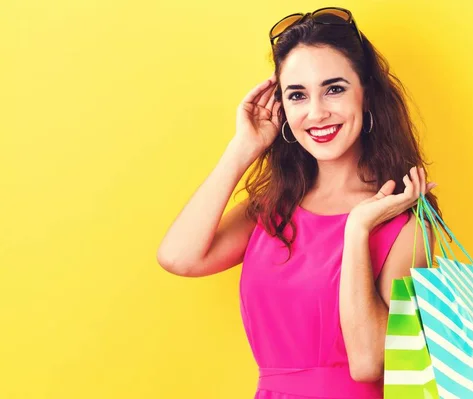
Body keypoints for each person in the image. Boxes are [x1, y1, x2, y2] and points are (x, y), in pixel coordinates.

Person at [157, 7, 442, 399]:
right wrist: (242, 149)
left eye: (334, 89)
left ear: (367, 95)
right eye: (297, 95)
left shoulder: (404, 224)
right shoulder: (274, 206)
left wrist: (358, 230)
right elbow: (179, 257)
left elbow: (368, 363)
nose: (316, 112)